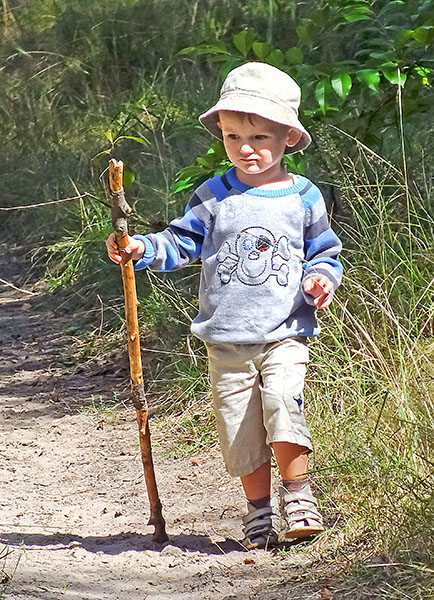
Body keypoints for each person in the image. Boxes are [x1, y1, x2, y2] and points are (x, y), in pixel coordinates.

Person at [106, 62, 343, 549]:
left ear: (287, 139)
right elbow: (181, 241)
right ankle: (259, 511)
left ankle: (298, 495)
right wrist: (140, 249)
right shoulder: (214, 195)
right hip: (226, 339)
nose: (246, 148)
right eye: (234, 136)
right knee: (239, 428)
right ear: (221, 135)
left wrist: (320, 279)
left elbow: (325, 252)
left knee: (282, 404)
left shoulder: (303, 196)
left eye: (259, 137)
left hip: (285, 331)